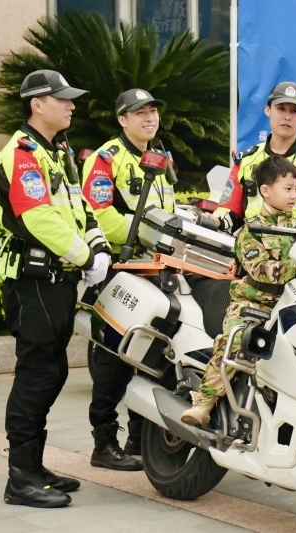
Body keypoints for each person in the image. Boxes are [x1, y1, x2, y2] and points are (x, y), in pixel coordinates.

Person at [0, 70, 111, 508]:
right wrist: (85, 256)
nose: (71, 105)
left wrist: (97, 247)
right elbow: (39, 218)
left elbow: (79, 206)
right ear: (36, 104)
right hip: (33, 281)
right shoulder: (22, 155)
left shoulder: (55, 152)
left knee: (52, 371)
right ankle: (19, 478)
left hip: (58, 281)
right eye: (61, 99)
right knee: (38, 374)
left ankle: (34, 467)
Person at [81, 88, 171, 471]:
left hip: (157, 272)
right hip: (120, 271)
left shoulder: (163, 155)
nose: (149, 118)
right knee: (113, 359)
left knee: (152, 357)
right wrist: (156, 234)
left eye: (152, 112)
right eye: (139, 113)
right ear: (122, 119)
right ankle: (104, 443)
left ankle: (137, 439)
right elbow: (98, 215)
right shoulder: (106, 160)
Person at [181, 155, 296, 425]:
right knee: (235, 341)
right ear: (265, 190)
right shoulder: (251, 231)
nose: (294, 195)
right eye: (288, 189)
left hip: (290, 306)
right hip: (253, 305)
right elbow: (260, 269)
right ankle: (204, 401)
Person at [213, 81, 296, 236]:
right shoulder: (246, 160)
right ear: (267, 110)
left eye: (294, 111)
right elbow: (229, 209)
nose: (287, 117)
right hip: (252, 247)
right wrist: (214, 220)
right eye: (281, 109)